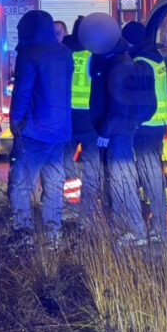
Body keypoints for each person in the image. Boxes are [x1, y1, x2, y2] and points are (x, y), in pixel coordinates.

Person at [82, 13, 155, 246]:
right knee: (119, 179)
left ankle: (135, 230)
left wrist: (105, 131)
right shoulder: (116, 60)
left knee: (121, 180)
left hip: (117, 132)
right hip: (119, 130)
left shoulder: (117, 64)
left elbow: (118, 104)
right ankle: (130, 229)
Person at [6, 10, 72, 240]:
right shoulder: (65, 53)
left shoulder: (29, 53)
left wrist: (15, 121)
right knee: (53, 183)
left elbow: (22, 92)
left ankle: (23, 233)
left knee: (21, 183)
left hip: (34, 130)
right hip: (60, 130)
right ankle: (54, 234)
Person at [124, 20, 167, 243]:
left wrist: (133, 120)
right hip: (158, 123)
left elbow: (140, 99)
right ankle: (159, 225)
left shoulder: (140, 63)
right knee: (153, 176)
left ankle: (159, 228)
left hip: (146, 126)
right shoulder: (155, 57)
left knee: (150, 177)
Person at [63, 16, 102, 220]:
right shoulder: (95, 54)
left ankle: (71, 204)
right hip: (90, 119)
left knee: (66, 162)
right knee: (92, 166)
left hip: (68, 117)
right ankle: (88, 211)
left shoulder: (65, 52)